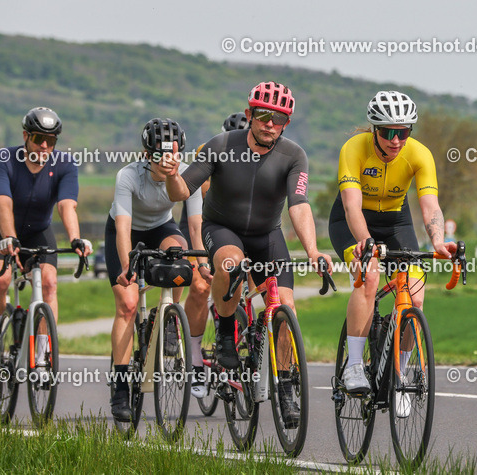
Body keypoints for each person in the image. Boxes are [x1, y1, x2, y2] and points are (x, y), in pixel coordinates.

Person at [164, 81, 332, 427]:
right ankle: (226, 333)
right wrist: (170, 174)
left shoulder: (294, 155)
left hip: (267, 236)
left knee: (285, 309)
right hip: (222, 228)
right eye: (263, 116)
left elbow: (299, 204)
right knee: (230, 264)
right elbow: (181, 191)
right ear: (249, 114)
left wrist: (313, 251)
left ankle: (286, 388)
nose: (270, 124)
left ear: (286, 123)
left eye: (278, 119)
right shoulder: (221, 145)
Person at [330, 91, 454, 417]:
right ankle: (354, 365)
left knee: (415, 296)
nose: (396, 140)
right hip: (352, 221)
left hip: (396, 222)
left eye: (403, 131)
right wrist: (366, 242)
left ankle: (399, 373)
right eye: (388, 132)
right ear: (375, 129)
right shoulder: (354, 149)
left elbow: (430, 205)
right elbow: (351, 206)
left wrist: (438, 241)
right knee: (369, 276)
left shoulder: (419, 154)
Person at [0, 108, 93, 369]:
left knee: (49, 283)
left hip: (36, 230)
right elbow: (2, 204)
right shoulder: (3, 159)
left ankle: (42, 353)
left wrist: (75, 239)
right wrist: (9, 238)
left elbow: (66, 205)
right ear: (25, 136)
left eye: (51, 140)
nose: (44, 146)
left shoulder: (65, 164)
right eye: (39, 138)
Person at [106, 118, 203, 422]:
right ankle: (121, 386)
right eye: (160, 154)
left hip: (162, 227)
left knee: (180, 257)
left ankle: (169, 318)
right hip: (125, 231)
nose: (166, 160)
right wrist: (127, 267)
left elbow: (194, 226)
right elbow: (123, 228)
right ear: (147, 154)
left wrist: (201, 263)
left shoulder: (186, 174)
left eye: (172, 153)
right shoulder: (128, 176)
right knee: (128, 304)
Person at [178, 112, 248, 400]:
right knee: (200, 286)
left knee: (246, 282)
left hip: (237, 228)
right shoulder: (210, 151)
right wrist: (202, 261)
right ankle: (195, 361)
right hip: (202, 221)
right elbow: (200, 207)